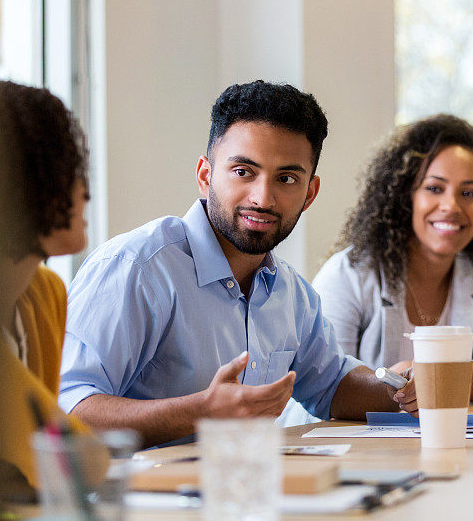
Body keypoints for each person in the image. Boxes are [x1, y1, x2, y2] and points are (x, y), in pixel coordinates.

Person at [58, 80, 416, 447]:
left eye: (286, 178)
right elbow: (68, 410)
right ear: (205, 175)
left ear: (309, 193)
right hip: (142, 499)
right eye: (243, 171)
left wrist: (402, 388)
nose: (263, 197)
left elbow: (332, 387)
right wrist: (201, 412)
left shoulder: (292, 294)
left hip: (245, 491)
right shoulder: (137, 268)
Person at [313, 114, 473, 403]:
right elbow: (323, 386)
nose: (451, 206)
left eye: (469, 193)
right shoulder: (348, 272)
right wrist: (417, 385)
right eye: (434, 188)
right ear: (406, 196)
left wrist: (432, 375)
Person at [0, 80, 97, 487]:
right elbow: (70, 460)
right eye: (67, 170)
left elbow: (47, 461)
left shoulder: (45, 293)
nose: (84, 193)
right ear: (21, 180)